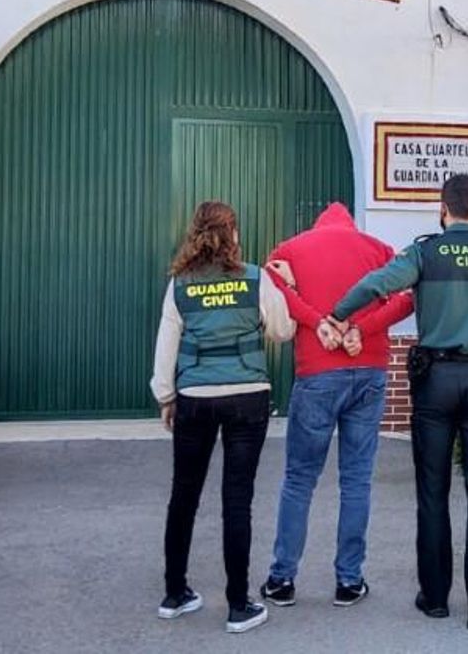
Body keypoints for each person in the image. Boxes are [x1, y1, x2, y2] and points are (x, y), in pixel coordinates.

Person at [327, 174, 468, 631]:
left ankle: (434, 598)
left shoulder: (426, 252)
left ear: (443, 209)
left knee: (432, 492)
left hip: (436, 381)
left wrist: (337, 314)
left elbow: (377, 285)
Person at [150, 201, 296, 635]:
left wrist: (166, 396)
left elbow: (166, 346)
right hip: (247, 398)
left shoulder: (181, 283)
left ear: (196, 234)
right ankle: (238, 605)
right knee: (237, 501)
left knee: (184, 496)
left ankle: (175, 594)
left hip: (194, 397)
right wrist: (284, 285)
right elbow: (283, 331)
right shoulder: (256, 277)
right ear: (233, 234)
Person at [258, 203, 413, 609]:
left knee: (299, 480)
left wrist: (318, 322)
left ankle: (282, 579)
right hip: (370, 371)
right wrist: (361, 329)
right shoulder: (378, 249)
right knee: (356, 480)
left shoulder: (291, 249)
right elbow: (405, 301)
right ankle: (349, 580)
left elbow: (274, 291)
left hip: (317, 374)